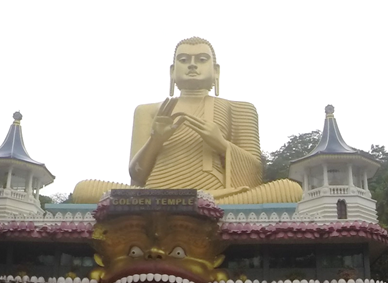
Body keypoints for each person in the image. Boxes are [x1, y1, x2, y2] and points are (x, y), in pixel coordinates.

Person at [71, 37, 302, 204]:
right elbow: (137, 177)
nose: (192, 64)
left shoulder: (239, 109)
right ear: (172, 71)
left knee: (289, 190)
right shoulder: (147, 111)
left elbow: (253, 176)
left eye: (201, 59)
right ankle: (187, 202)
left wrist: (221, 144)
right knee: (84, 189)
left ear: (216, 71)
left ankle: (193, 202)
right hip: (154, 195)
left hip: (214, 197)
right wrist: (155, 140)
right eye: (184, 59)